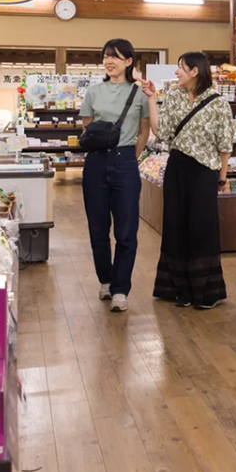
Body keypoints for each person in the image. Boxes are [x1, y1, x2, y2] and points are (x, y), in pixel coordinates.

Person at [142, 52, 233, 309]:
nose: (176, 72)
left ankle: (206, 291)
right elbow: (162, 131)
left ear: (195, 71)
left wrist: (222, 178)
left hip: (204, 172)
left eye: (180, 67)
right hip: (177, 168)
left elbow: (224, 144)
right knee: (175, 226)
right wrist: (151, 99)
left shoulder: (218, 103)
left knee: (202, 228)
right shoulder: (173, 97)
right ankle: (180, 289)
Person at [80, 39, 151, 313]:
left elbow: (144, 131)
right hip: (96, 163)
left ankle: (121, 288)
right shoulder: (93, 92)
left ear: (129, 62)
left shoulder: (140, 93)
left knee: (127, 229)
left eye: (116, 57)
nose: (110, 61)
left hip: (125, 163)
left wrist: (132, 156)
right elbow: (89, 129)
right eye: (106, 57)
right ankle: (105, 280)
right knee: (98, 228)